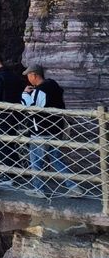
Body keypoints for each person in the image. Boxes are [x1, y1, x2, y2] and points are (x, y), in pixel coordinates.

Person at [21, 63, 83, 199]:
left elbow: (31, 110)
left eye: (28, 76)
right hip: (55, 129)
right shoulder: (53, 85)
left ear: (34, 75)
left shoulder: (40, 91)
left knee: (36, 161)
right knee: (56, 159)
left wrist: (25, 94)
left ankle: (39, 189)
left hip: (40, 132)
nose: (28, 79)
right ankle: (73, 187)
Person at [0, 53, 25, 186]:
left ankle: (11, 176)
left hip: (1, 118)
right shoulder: (14, 76)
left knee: (2, 146)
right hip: (14, 116)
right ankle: (17, 173)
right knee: (11, 144)